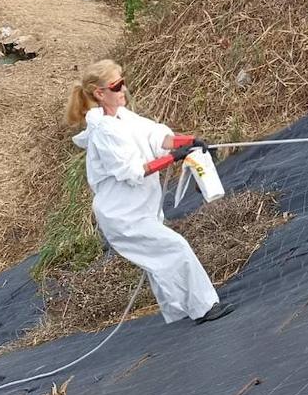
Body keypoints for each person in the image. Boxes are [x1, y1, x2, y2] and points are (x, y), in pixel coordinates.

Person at [67, 59, 234, 325]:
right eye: (117, 85)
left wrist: (190, 141)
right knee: (175, 249)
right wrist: (174, 158)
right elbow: (133, 171)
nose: (123, 89)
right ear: (100, 93)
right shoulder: (103, 132)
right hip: (122, 216)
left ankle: (178, 311)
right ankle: (204, 307)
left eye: (123, 82)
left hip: (141, 208)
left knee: (161, 261)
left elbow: (157, 137)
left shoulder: (123, 117)